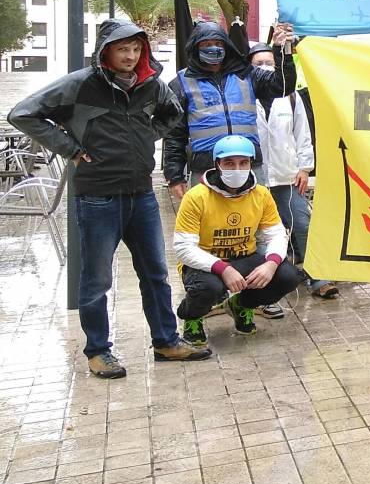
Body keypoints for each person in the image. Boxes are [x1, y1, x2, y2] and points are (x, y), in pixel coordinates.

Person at [7, 20, 213, 378]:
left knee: (155, 275)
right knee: (97, 280)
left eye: (136, 49)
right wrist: (70, 148)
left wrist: (150, 135)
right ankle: (98, 351)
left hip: (141, 194)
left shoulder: (150, 84)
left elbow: (174, 112)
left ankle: (165, 341)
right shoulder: (79, 84)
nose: (130, 56)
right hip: (97, 197)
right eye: (123, 50)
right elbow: (23, 114)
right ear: (106, 51)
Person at [174, 135, 303, 343]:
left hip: (245, 257)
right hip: (204, 264)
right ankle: (192, 317)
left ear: (251, 163)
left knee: (288, 276)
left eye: (243, 163)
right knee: (208, 289)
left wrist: (271, 263)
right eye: (229, 163)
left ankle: (242, 305)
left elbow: (276, 233)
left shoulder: (261, 194)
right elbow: (183, 248)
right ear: (217, 164)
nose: (237, 169)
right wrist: (222, 268)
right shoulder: (196, 197)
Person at [249, 42, 337, 306]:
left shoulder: (291, 96)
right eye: (258, 64)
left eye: (269, 63)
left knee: (302, 223)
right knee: (259, 233)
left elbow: (302, 133)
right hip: (256, 177)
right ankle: (267, 285)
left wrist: (304, 167)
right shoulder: (243, 94)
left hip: (287, 174)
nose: (264, 67)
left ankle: (317, 277)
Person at [164, 21, 295, 198]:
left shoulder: (247, 74)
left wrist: (282, 51)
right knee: (206, 223)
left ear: (227, 46)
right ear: (196, 47)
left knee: (254, 222)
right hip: (206, 168)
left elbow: (283, 86)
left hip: (248, 166)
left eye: (218, 44)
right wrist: (174, 176)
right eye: (206, 44)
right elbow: (174, 134)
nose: (213, 48)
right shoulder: (181, 83)